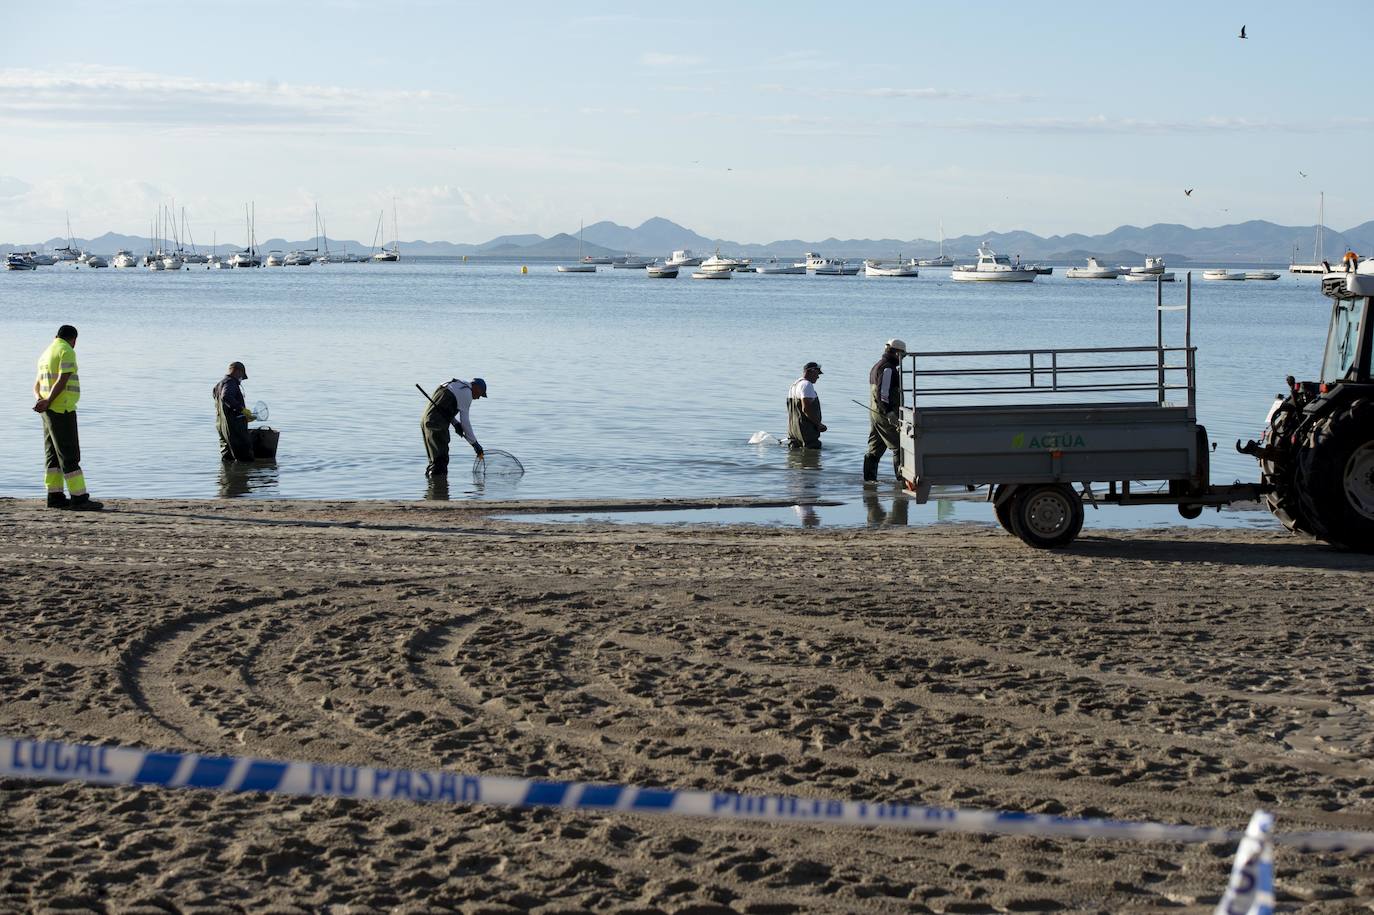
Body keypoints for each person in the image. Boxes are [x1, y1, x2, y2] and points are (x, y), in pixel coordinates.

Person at [32, 325, 102, 510]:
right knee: (69, 453)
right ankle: (79, 498)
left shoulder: (45, 354)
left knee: (52, 455)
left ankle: (54, 497)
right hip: (62, 409)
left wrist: (41, 400)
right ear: (74, 340)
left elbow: (36, 384)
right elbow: (63, 379)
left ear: (56, 336)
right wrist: (49, 401)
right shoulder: (67, 351)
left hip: (46, 411)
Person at [422, 377, 486, 477]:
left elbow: (442, 409)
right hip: (436, 425)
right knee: (440, 462)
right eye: (480, 394)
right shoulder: (467, 393)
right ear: (477, 387)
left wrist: (455, 423)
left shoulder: (455, 385)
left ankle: (433, 486)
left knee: (435, 462)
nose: (478, 398)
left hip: (427, 421)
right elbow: (465, 422)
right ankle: (438, 488)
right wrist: (475, 443)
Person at [863, 338, 906, 484]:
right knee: (899, 446)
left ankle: (869, 481)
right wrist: (889, 413)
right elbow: (883, 393)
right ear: (896, 353)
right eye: (903, 355)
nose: (903, 359)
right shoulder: (888, 368)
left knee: (875, 448)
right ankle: (902, 481)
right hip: (885, 415)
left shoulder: (877, 365)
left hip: (875, 414)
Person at [213, 361, 255, 462]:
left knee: (227, 458)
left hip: (221, 427)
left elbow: (223, 406)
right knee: (245, 459)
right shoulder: (230, 382)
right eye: (241, 376)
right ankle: (240, 477)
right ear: (237, 371)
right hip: (234, 429)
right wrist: (242, 410)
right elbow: (226, 396)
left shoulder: (218, 385)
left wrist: (242, 416)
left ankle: (227, 477)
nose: (241, 380)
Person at [786, 361, 827, 449]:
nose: (818, 376)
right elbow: (806, 409)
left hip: (793, 430)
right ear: (811, 371)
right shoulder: (807, 385)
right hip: (806, 431)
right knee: (812, 458)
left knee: (794, 459)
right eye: (817, 373)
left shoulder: (794, 385)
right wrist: (818, 424)